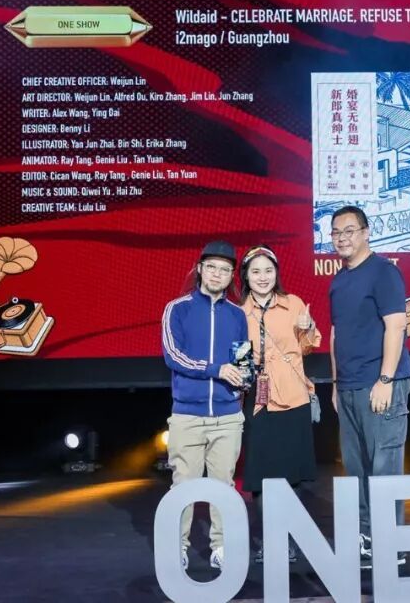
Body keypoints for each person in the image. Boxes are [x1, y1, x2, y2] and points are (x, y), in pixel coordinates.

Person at [328, 205, 410, 568]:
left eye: (349, 230)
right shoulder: (339, 280)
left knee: (384, 467)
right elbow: (336, 334)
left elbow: (396, 325)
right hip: (349, 387)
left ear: (366, 233)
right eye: (336, 232)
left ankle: (391, 545)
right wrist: (336, 384)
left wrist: (385, 379)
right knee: (357, 468)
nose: (342, 238)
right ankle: (367, 538)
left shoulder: (383, 272)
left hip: (379, 384)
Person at [161, 240, 249, 571]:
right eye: (211, 267)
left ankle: (222, 547)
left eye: (224, 270)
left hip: (228, 416)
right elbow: (174, 356)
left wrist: (245, 377)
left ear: (231, 276)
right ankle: (177, 548)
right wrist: (216, 369)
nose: (217, 274)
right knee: (183, 486)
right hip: (188, 415)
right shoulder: (177, 309)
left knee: (223, 486)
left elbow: (242, 359)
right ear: (199, 269)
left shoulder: (237, 315)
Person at [237, 245, 321, 563]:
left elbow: (307, 347)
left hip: (294, 399)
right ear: (246, 276)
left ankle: (288, 540)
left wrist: (307, 328)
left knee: (292, 475)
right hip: (258, 402)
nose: (263, 277)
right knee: (261, 476)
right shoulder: (238, 313)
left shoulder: (293, 303)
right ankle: (270, 540)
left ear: (277, 274)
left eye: (269, 271)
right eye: (256, 271)